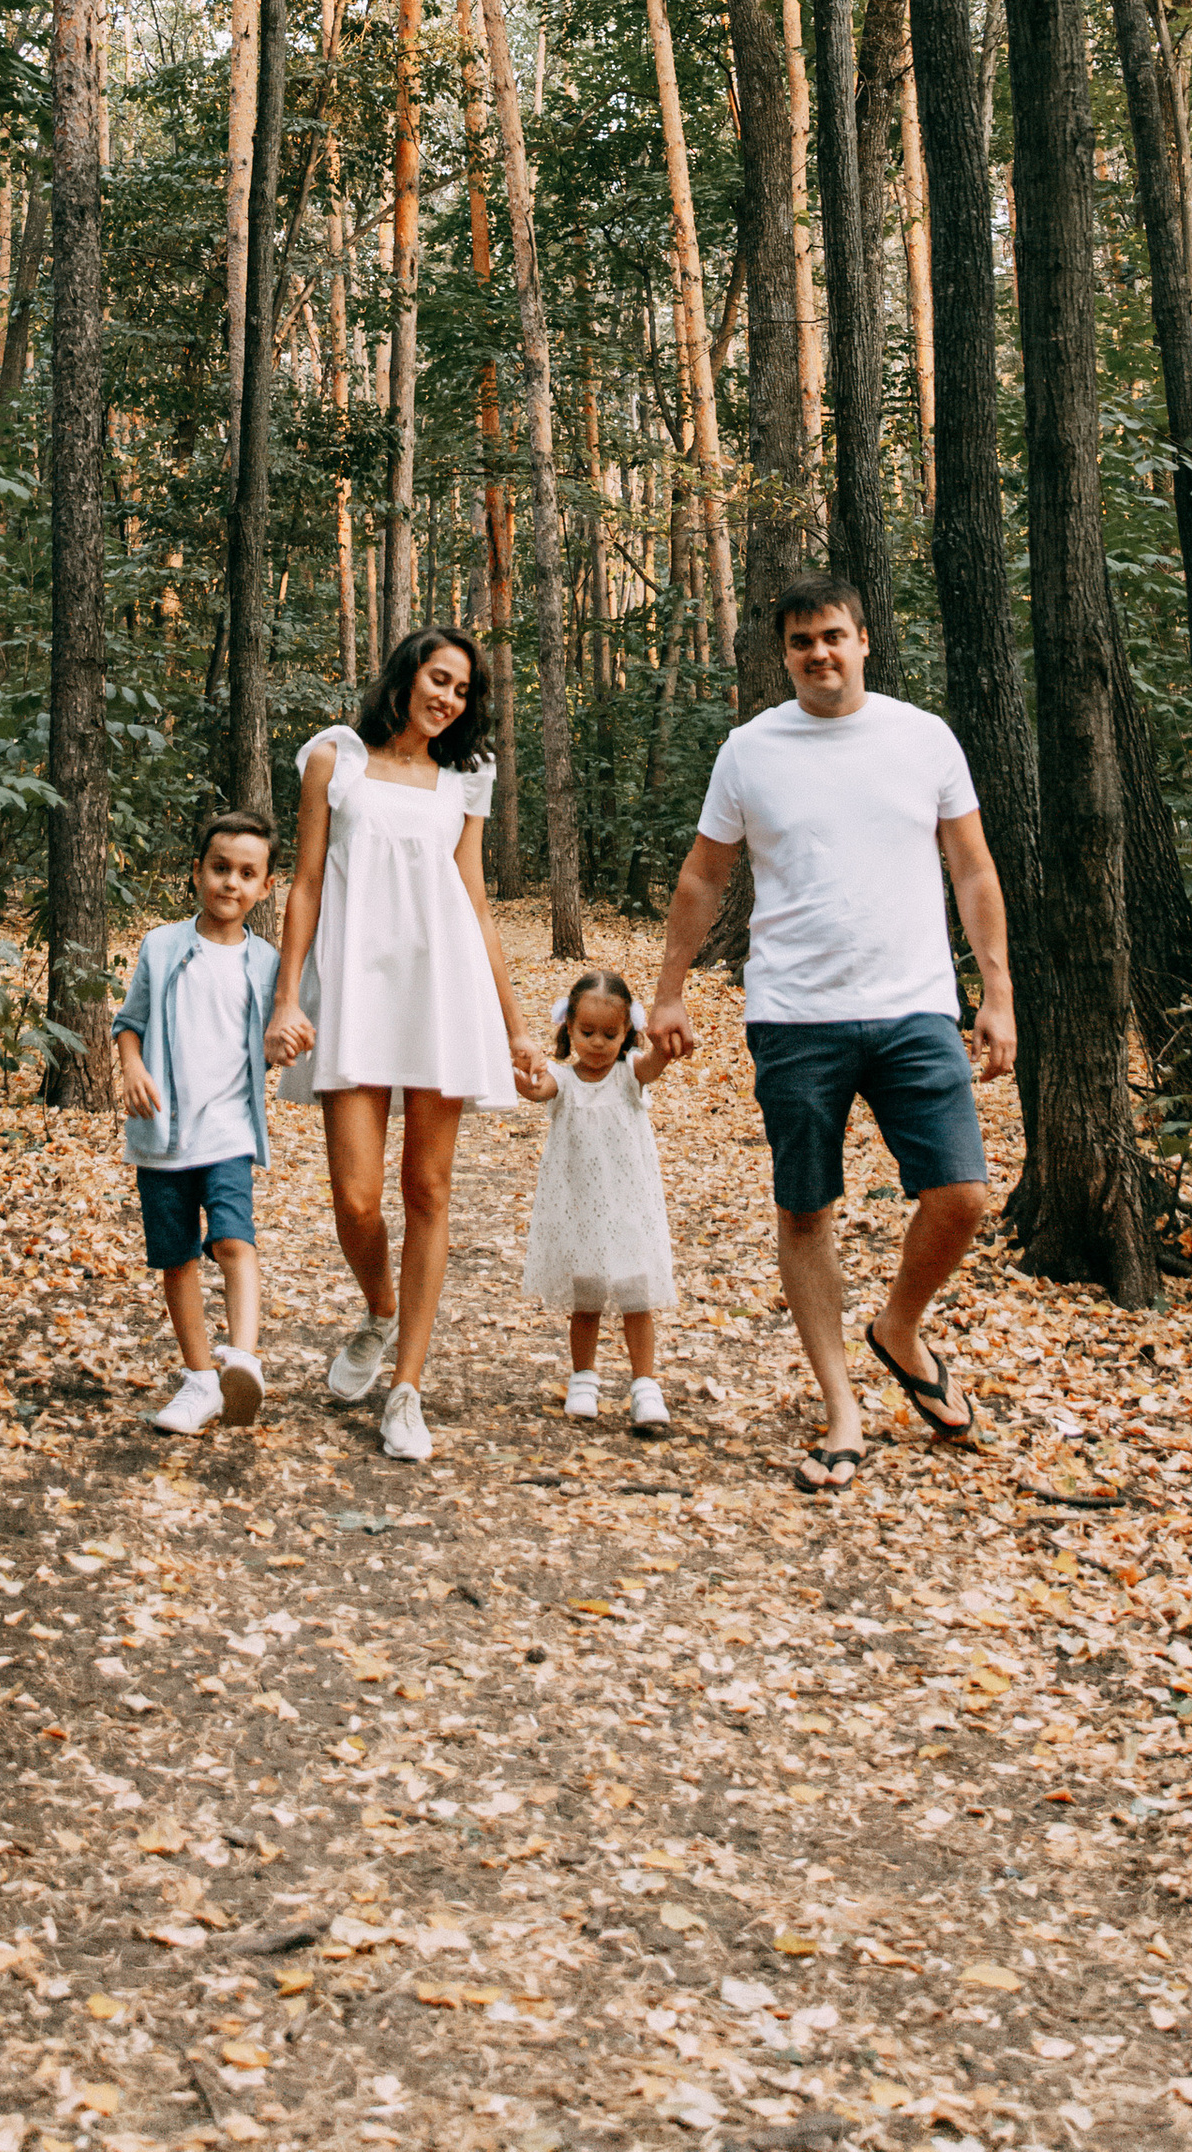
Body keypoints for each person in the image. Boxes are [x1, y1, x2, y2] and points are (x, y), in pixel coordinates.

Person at [646, 575, 1015, 1495]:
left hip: (916, 1009)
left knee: (962, 1194)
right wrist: (669, 991)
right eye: (802, 641)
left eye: (835, 637)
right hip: (793, 1017)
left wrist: (997, 991)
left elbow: (971, 868)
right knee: (807, 1210)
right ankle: (842, 1409)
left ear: (864, 642)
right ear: (784, 654)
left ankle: (898, 1327)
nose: (820, 653)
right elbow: (703, 878)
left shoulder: (920, 737)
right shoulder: (750, 750)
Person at [266, 627, 547, 1465]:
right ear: (406, 676)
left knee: (427, 1187)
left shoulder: (465, 775)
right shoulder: (335, 757)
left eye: (462, 690)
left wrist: (516, 1023)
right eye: (438, 679)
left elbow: (477, 901)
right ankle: (379, 1312)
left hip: (441, 989)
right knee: (355, 1198)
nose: (449, 699)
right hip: (352, 989)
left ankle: (407, 1388)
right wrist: (287, 996)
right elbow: (307, 882)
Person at [115, 810, 281, 1438]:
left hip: (229, 1131)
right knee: (177, 1257)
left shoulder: (266, 964)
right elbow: (127, 1024)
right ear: (196, 873)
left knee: (235, 1240)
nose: (230, 883)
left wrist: (281, 1045)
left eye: (246, 873)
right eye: (219, 868)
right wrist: (132, 1068)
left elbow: (267, 1041)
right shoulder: (161, 947)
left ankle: (242, 1357)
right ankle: (201, 1381)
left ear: (265, 886)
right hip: (161, 1134)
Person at [517, 968, 677, 1434]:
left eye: (611, 1033)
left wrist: (664, 1047)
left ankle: (644, 1383)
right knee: (585, 1295)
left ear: (628, 1031)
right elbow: (539, 1089)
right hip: (579, 1205)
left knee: (634, 1293)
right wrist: (525, 1081)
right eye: (587, 1032)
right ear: (568, 1027)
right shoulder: (564, 1081)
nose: (598, 1043)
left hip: (627, 1203)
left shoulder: (630, 1075)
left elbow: (652, 1066)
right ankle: (583, 1376)